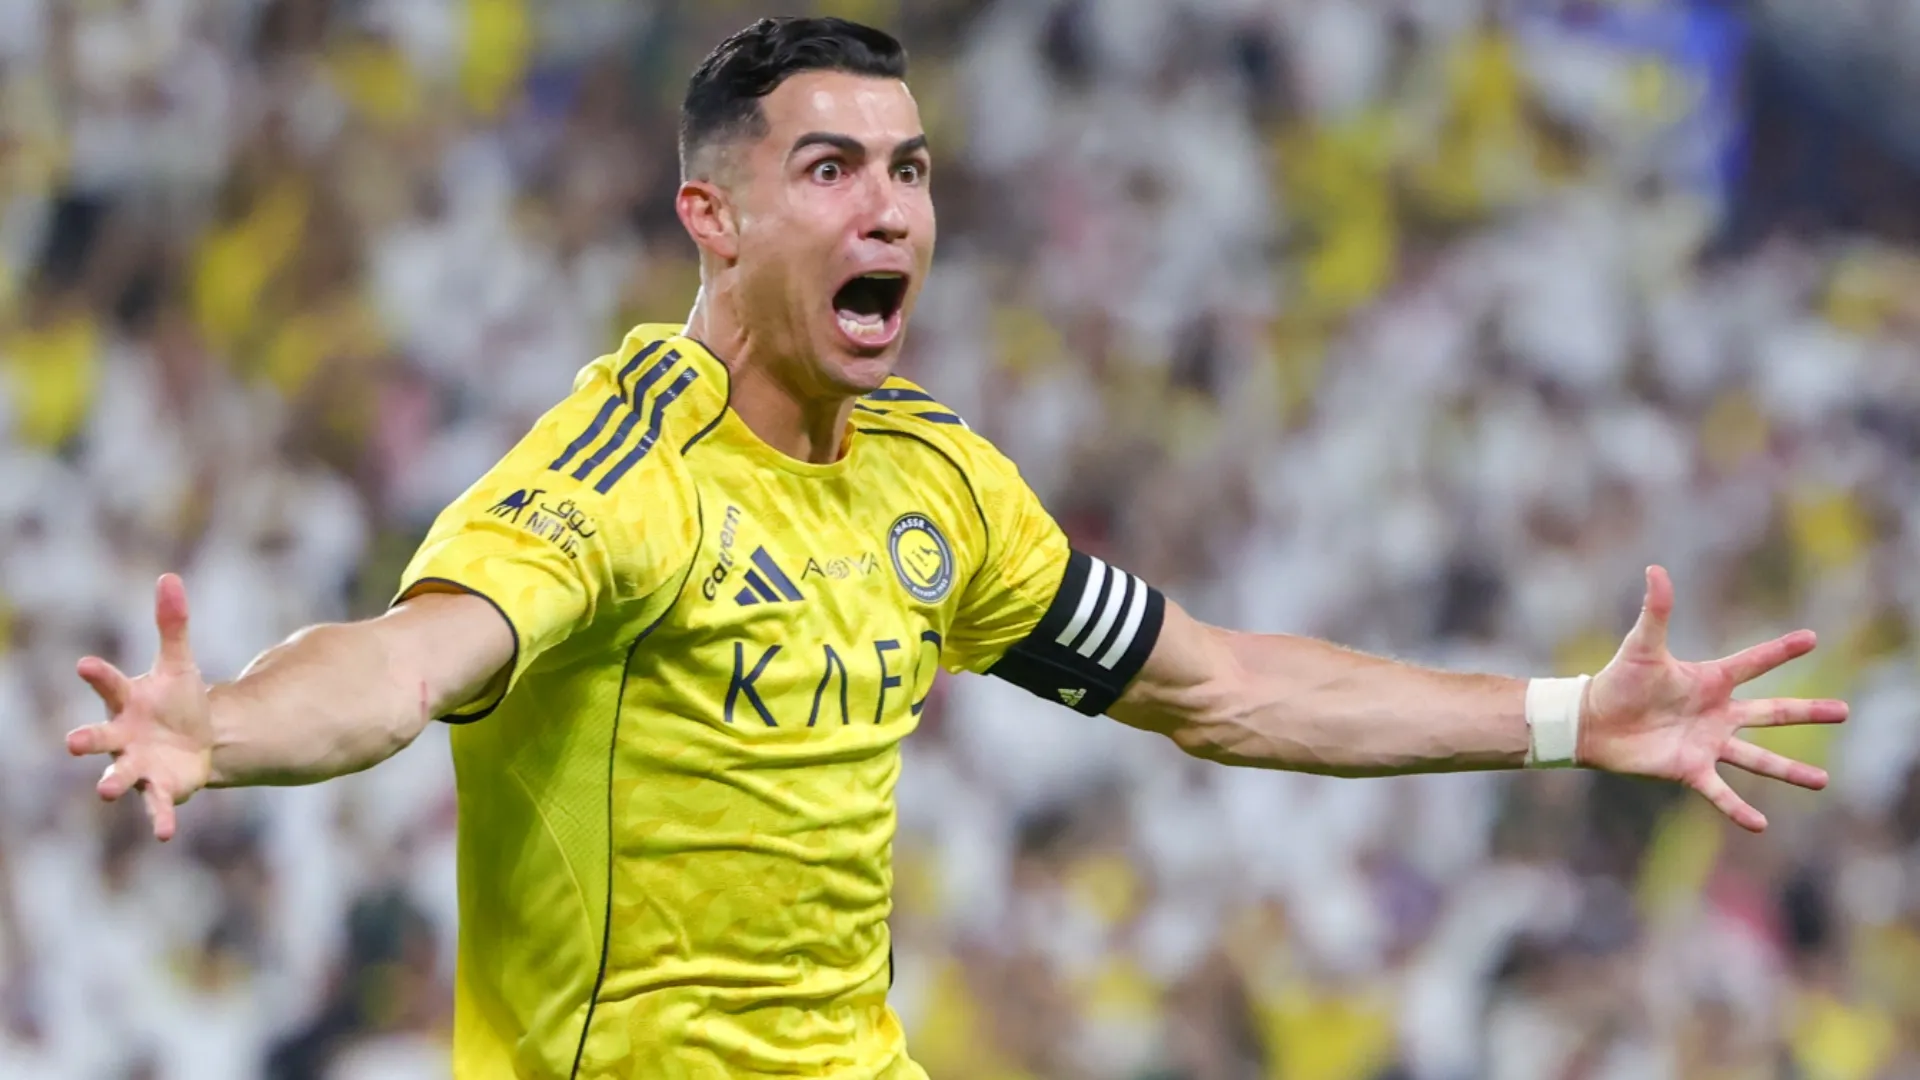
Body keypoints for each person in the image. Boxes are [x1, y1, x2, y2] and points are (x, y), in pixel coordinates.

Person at [62, 17, 1848, 1080]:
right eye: (832, 169)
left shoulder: (940, 486)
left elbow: (1221, 688)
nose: (892, 209)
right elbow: (408, 660)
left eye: (909, 171)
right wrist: (233, 726)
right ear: (713, 216)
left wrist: (1564, 718)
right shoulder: (622, 472)